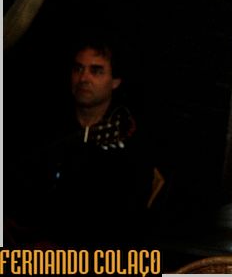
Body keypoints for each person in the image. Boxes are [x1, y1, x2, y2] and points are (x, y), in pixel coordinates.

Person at [4, 33, 161, 249]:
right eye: (78, 69)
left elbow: (121, 220)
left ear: (115, 81)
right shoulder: (48, 126)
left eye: (96, 71)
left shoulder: (127, 137)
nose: (83, 78)